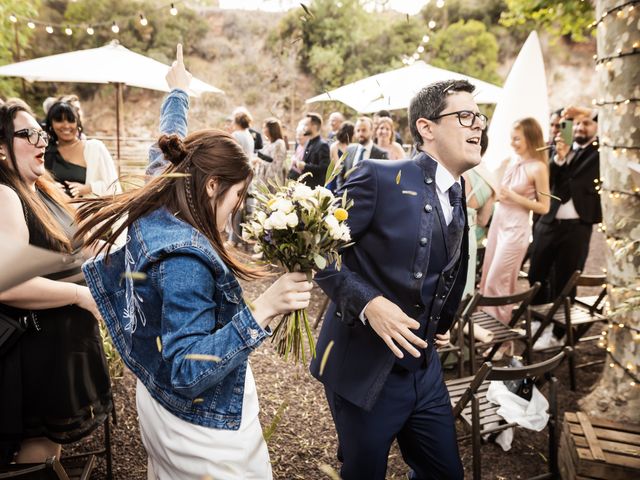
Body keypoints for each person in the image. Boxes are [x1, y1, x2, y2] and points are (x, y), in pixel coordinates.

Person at [76, 45, 313, 480]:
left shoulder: (162, 193)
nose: (235, 210)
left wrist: (178, 92)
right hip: (199, 429)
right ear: (212, 188)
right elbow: (188, 370)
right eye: (237, 197)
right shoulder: (186, 258)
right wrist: (264, 309)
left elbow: (167, 144)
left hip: (156, 398)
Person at [310, 79, 486, 480]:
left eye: (480, 117)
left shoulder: (459, 191)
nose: (478, 126)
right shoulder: (375, 176)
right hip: (364, 371)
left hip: (425, 371)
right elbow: (318, 251)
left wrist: (442, 319)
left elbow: (447, 266)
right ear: (426, 127)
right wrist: (369, 303)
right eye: (465, 116)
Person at [0, 102, 112, 465]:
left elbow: (69, 245)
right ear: (1, 147)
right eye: (29, 134)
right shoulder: (6, 195)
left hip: (62, 345)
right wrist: (81, 295)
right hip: (37, 349)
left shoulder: (41, 188)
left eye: (41, 133)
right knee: (40, 451)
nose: (42, 140)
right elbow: (7, 283)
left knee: (52, 448)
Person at [528, 107, 600, 349]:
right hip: (548, 222)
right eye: (574, 124)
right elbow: (549, 178)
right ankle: (538, 324)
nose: (579, 128)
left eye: (585, 124)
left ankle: (560, 332)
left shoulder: (600, 151)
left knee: (566, 280)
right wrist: (560, 157)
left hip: (578, 226)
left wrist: (587, 110)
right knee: (537, 274)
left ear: (595, 126)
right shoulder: (556, 148)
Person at [479, 118, 550, 332]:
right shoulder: (512, 162)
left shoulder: (538, 167)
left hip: (515, 230)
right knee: (486, 279)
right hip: (498, 225)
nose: (513, 143)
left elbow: (544, 207)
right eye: (512, 138)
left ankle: (500, 339)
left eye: (517, 138)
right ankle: (487, 330)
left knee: (498, 281)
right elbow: (503, 194)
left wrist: (513, 197)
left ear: (530, 138)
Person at [44, 101, 121, 198]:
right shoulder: (47, 152)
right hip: (56, 210)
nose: (66, 125)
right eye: (59, 120)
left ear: (78, 123)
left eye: (71, 120)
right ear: (51, 124)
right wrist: (53, 187)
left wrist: (87, 188)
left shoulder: (95, 148)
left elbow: (113, 186)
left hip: (89, 211)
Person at [462, 129, 497, 298]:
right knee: (463, 292)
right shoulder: (491, 180)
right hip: (470, 240)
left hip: (448, 239)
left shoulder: (458, 171)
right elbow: (483, 220)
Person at [335, 117, 388, 190]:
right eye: (358, 130)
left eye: (364, 130)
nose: (360, 133)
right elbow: (341, 175)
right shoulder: (349, 149)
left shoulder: (382, 154)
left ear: (372, 131)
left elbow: (383, 181)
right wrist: (341, 193)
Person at [288, 113, 330, 188]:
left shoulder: (322, 145)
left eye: (306, 125)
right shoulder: (310, 142)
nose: (304, 128)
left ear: (314, 126)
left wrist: (305, 166)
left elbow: (325, 168)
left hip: (315, 188)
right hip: (305, 186)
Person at [256, 117, 287, 185]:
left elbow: (277, 165)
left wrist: (261, 162)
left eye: (264, 127)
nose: (263, 130)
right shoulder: (268, 143)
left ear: (271, 129)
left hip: (273, 181)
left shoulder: (279, 143)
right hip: (264, 180)